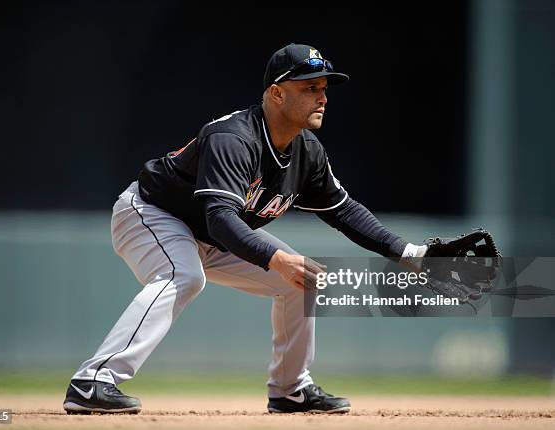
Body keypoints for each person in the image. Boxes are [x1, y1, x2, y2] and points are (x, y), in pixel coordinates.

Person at [62, 43, 428, 415]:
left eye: (323, 89)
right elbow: (220, 218)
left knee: (301, 281)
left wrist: (410, 253)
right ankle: (94, 381)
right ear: (276, 93)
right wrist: (275, 258)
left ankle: (290, 390)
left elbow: (344, 211)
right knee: (183, 275)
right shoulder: (234, 138)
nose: (322, 98)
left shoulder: (308, 152)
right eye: (309, 88)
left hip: (210, 232)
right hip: (151, 213)